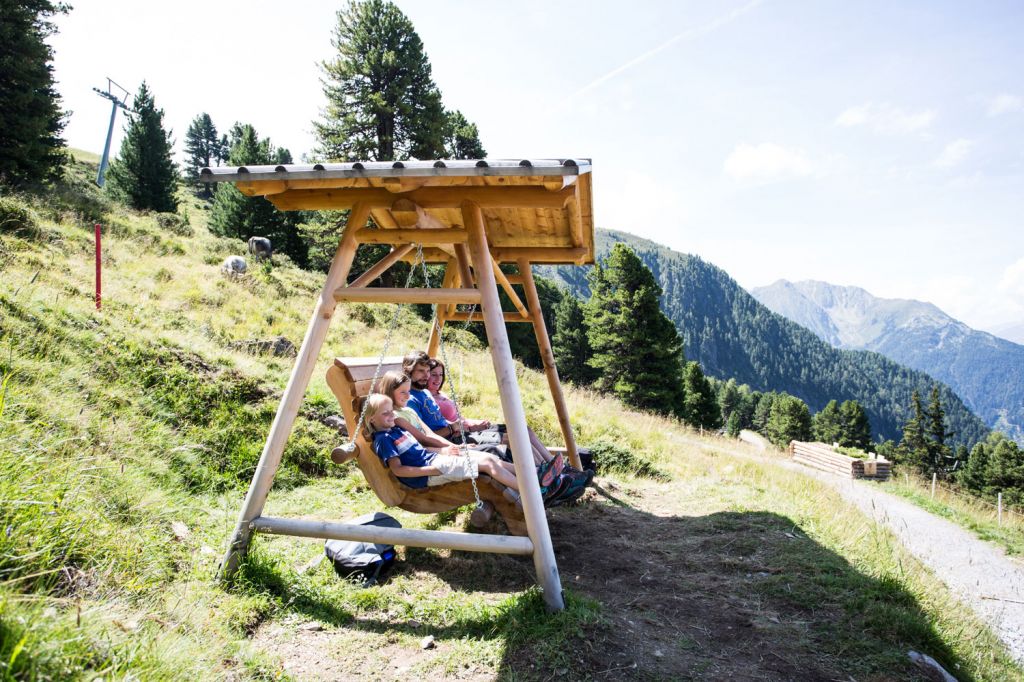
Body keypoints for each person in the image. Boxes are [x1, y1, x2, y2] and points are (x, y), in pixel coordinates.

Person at [403, 350, 593, 505]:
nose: (427, 376)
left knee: (521, 430)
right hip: (452, 440)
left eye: (429, 372)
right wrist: (455, 431)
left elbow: (443, 424)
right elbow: (425, 436)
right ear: (408, 371)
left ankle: (557, 473)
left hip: (456, 434)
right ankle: (547, 479)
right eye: (422, 372)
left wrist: (463, 426)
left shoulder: (425, 393)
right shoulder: (409, 399)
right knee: (511, 440)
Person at [364, 394, 522, 504]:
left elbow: (422, 450)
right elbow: (398, 470)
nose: (392, 415)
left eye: (392, 410)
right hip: (427, 474)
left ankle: (534, 475)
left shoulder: (396, 430)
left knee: (490, 458)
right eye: (386, 413)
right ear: (371, 419)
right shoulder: (384, 440)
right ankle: (532, 492)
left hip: (435, 460)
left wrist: (447, 450)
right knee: (488, 464)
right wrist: (432, 470)